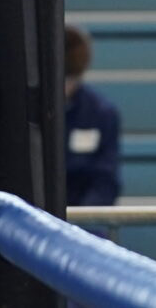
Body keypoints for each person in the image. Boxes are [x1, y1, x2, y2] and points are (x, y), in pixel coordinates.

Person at [61, 26, 122, 209]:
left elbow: (106, 178)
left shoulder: (102, 113)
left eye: (69, 80)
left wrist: (81, 224)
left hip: (82, 222)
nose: (63, 88)